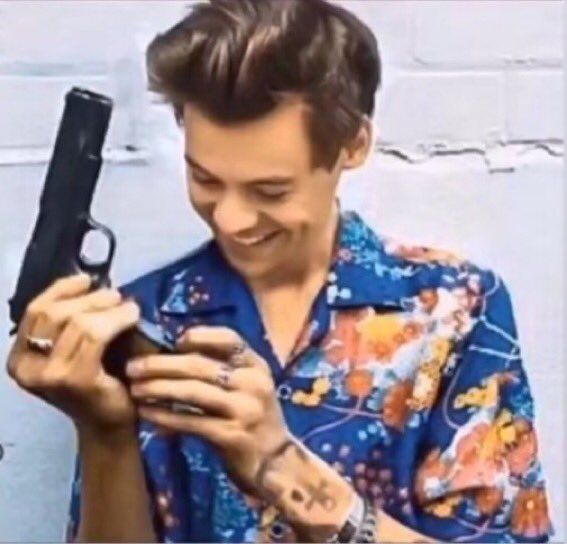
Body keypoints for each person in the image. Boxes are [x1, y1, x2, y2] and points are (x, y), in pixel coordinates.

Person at [6, 0, 553, 542]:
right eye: (204, 179)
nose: (231, 219)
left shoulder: (456, 310)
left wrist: (283, 467)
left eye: (271, 191)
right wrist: (104, 434)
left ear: (353, 146)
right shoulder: (141, 323)